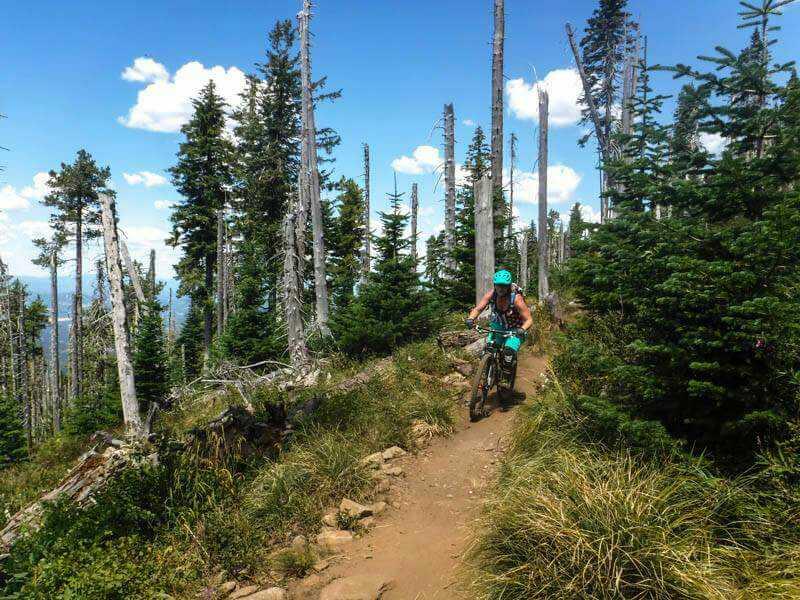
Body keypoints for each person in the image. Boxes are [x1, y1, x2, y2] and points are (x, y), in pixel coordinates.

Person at [465, 269, 533, 366]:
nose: (501, 288)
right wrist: (471, 318)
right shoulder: (491, 295)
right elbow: (478, 309)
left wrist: (522, 329)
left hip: (515, 329)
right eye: (498, 285)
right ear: (495, 285)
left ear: (509, 286)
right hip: (498, 326)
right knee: (489, 349)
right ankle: (490, 371)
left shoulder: (516, 299)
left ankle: (508, 375)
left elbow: (529, 319)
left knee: (508, 354)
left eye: (504, 286)